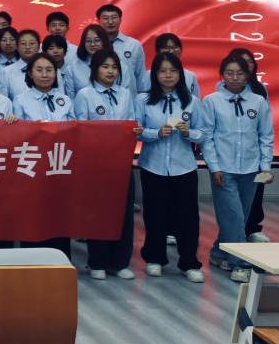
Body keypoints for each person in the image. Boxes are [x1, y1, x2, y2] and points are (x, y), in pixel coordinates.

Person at [203, 53, 275, 283]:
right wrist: (214, 167)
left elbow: (266, 136)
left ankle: (218, 252)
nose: (234, 78)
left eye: (240, 73)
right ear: (222, 75)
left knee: (238, 218)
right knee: (233, 216)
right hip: (223, 169)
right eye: (229, 73)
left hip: (251, 169)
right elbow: (207, 137)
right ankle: (240, 263)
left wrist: (265, 167)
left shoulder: (258, 102)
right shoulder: (212, 101)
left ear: (248, 75)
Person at [137, 53, 205, 283]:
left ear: (181, 74)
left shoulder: (191, 101)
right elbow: (136, 130)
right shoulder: (143, 100)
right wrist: (155, 133)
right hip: (152, 165)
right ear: (155, 74)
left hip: (183, 167)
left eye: (173, 71)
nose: (168, 75)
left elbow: (203, 133)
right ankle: (155, 258)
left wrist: (188, 133)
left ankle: (189, 262)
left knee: (188, 216)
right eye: (163, 71)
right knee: (154, 213)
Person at [74, 50, 139, 281]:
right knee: (98, 213)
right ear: (95, 69)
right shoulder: (85, 94)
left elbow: (131, 122)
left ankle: (120, 262)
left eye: (114, 67)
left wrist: (133, 131)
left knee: (123, 213)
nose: (110, 71)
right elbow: (81, 128)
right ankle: (98, 261)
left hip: (121, 161)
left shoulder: (125, 94)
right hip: (96, 163)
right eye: (105, 66)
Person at [96, 3, 146, 96]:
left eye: (114, 17)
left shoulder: (134, 45)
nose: (110, 22)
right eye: (106, 18)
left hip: (130, 99)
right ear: (98, 21)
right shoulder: (94, 46)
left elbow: (141, 76)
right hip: (99, 99)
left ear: (120, 20)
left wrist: (142, 98)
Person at [12, 54, 73, 121]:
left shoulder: (66, 100)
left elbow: (73, 126)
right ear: (30, 74)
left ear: (55, 73)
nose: (44, 75)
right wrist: (33, 126)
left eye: (49, 70)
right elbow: (18, 127)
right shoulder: (20, 100)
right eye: (39, 70)